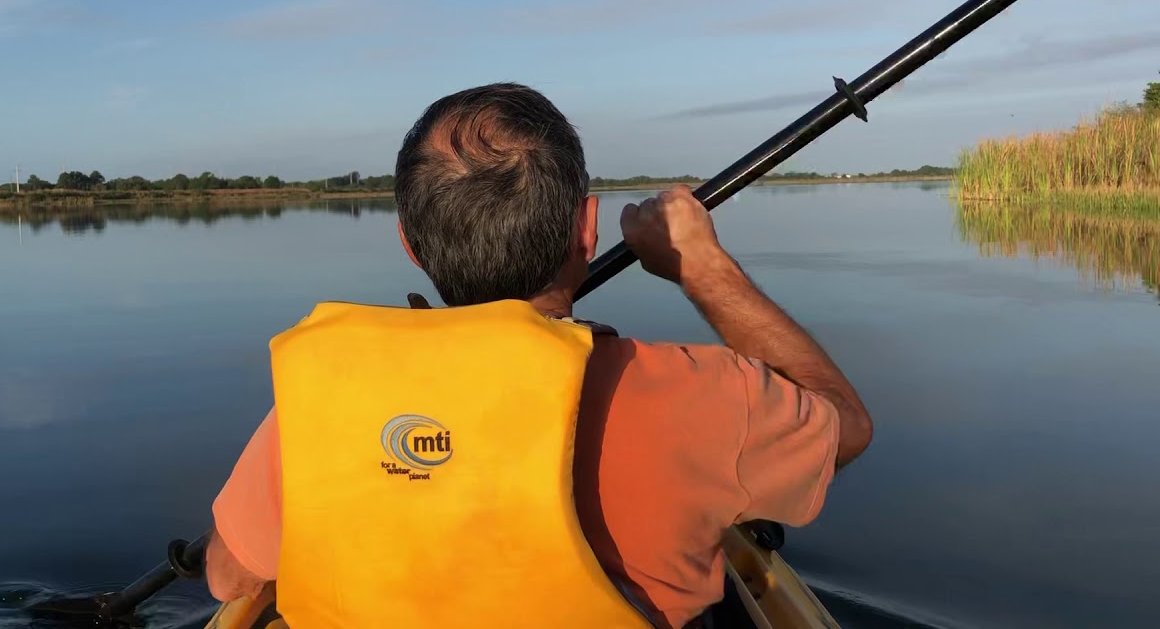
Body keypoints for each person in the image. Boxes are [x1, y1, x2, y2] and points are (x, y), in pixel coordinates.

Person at [205, 82, 873, 628]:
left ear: (410, 244)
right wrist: (702, 267)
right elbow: (843, 426)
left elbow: (227, 576)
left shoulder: (319, 408)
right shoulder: (698, 395)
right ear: (587, 227)